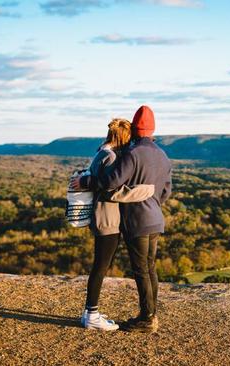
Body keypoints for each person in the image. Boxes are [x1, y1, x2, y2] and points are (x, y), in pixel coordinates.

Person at [73, 105, 172, 333]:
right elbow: (166, 191)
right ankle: (151, 314)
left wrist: (86, 182)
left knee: (141, 270)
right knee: (150, 268)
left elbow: (110, 182)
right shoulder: (162, 155)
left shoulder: (133, 153)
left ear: (136, 129)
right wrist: (153, 202)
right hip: (155, 218)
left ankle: (147, 319)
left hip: (137, 220)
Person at [80, 118, 131, 331]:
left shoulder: (101, 152)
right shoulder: (111, 157)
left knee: (99, 265)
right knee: (100, 266)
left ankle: (89, 312)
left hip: (100, 217)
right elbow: (110, 187)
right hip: (107, 219)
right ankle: (92, 314)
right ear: (122, 137)